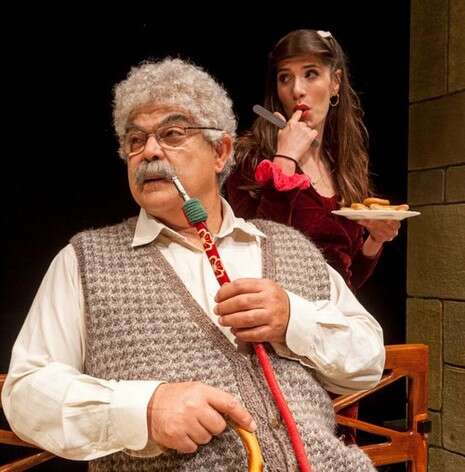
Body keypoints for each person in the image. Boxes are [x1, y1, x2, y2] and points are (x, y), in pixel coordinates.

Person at [2, 58, 384, 471]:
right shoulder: (84, 262)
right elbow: (25, 393)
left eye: (172, 134)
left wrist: (295, 321)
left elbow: (368, 363)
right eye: (135, 140)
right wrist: (144, 410)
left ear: (220, 151)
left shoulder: (291, 247)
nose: (149, 151)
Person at [226, 29, 401, 290]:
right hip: (281, 310)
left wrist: (375, 239)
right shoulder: (251, 157)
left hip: (334, 313)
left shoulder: (345, 165)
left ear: (335, 82)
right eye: (285, 77)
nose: (297, 90)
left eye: (310, 74)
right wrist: (285, 160)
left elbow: (345, 283)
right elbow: (254, 259)